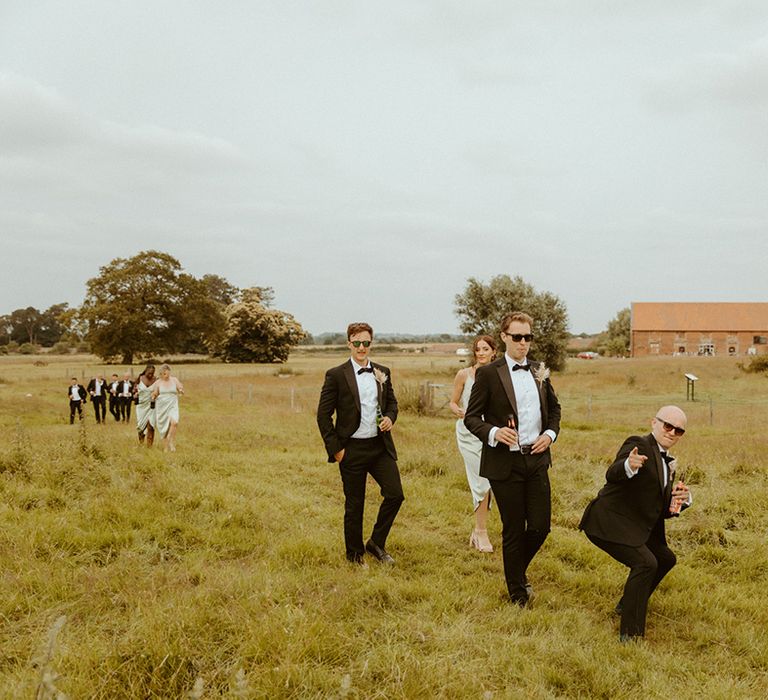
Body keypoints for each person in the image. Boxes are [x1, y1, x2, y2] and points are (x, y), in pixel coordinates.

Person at [464, 312, 561, 606]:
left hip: (537, 458)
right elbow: (471, 418)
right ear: (504, 337)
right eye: (517, 337)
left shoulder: (538, 371)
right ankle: (517, 592)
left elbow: (555, 410)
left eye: (528, 337)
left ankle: (516, 571)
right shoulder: (489, 374)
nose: (523, 343)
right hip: (505, 463)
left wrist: (550, 434)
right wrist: (494, 432)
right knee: (514, 528)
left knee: (541, 526)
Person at [579, 406, 692, 642]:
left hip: (635, 525)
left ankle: (627, 602)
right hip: (607, 522)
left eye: (678, 430)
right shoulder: (637, 444)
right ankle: (630, 634)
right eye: (667, 426)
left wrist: (682, 501)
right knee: (646, 564)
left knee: (666, 559)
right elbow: (613, 473)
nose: (672, 432)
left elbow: (660, 509)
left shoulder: (666, 461)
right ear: (654, 422)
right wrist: (628, 466)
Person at [317, 322, 404, 566]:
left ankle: (376, 542)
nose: (361, 347)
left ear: (371, 343)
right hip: (351, 449)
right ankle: (355, 555)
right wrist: (337, 450)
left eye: (366, 342)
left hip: (379, 447)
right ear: (349, 344)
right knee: (355, 504)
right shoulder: (336, 375)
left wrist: (390, 418)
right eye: (357, 343)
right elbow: (323, 415)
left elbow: (392, 404)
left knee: (395, 494)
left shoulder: (382, 371)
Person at [449, 335, 497, 552]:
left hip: (492, 434)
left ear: (494, 351)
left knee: (492, 480)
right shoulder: (464, 374)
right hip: (468, 433)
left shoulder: (499, 375)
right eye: (478, 349)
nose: (481, 353)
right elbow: (453, 401)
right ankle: (481, 532)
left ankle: (478, 529)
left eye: (485, 349)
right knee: (481, 480)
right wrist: (457, 410)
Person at [150, 364, 184, 452]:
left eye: (167, 373)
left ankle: (170, 439)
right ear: (161, 374)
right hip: (161, 405)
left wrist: (180, 390)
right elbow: (155, 393)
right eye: (164, 374)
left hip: (172, 403)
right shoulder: (158, 382)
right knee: (164, 427)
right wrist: (153, 396)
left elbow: (180, 387)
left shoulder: (174, 380)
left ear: (169, 372)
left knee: (175, 422)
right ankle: (166, 447)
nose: (166, 375)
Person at [134, 364, 156, 447]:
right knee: (140, 426)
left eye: (152, 373)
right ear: (145, 371)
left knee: (151, 426)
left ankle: (149, 446)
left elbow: (158, 391)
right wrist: (135, 393)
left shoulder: (156, 379)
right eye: (149, 373)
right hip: (141, 405)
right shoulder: (140, 378)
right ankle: (141, 443)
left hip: (152, 405)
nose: (150, 375)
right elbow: (134, 388)